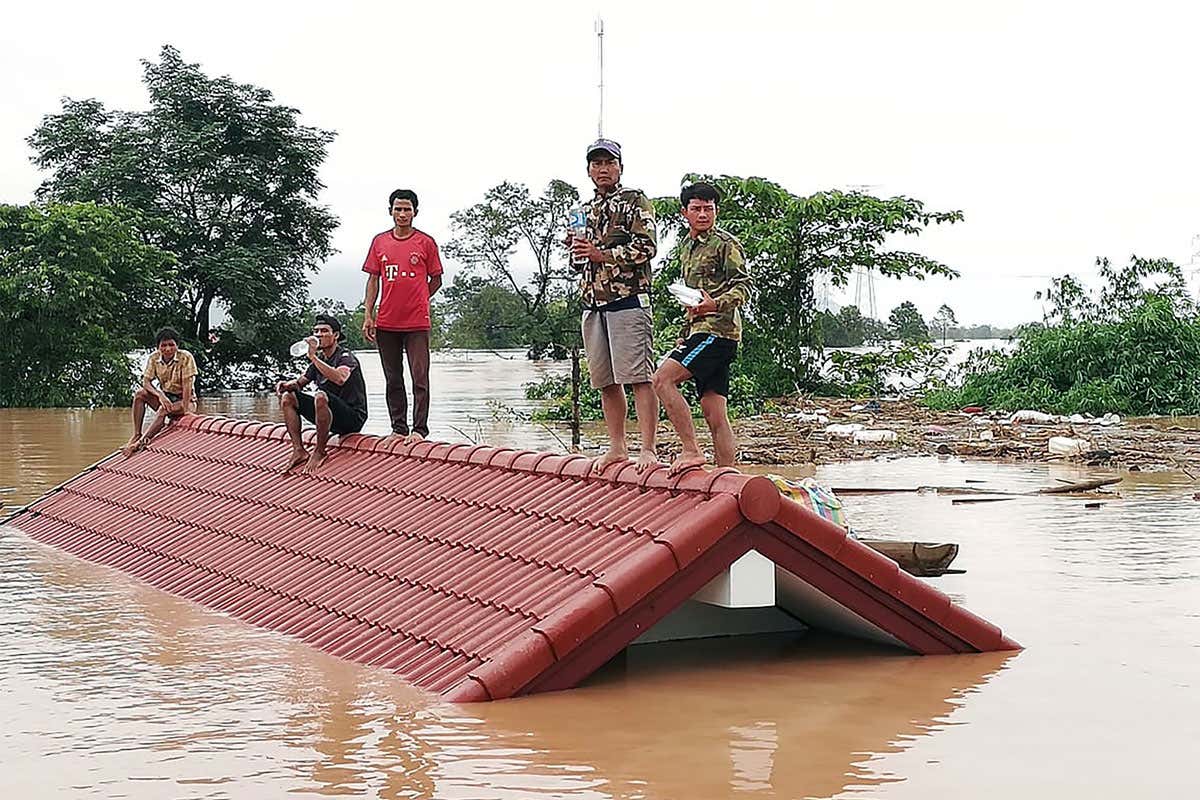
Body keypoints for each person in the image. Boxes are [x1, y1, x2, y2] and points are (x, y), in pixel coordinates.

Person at [571, 138, 659, 472]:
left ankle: (648, 448)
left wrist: (601, 254)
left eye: (609, 163)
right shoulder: (583, 210)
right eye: (597, 164)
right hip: (592, 303)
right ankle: (617, 447)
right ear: (589, 170)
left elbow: (647, 248)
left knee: (639, 376)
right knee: (606, 381)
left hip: (628, 300)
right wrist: (577, 251)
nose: (603, 169)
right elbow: (577, 263)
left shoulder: (635, 200)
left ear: (620, 167)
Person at [652, 182, 751, 475]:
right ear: (685, 212)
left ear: (716, 211)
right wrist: (685, 331)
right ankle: (727, 477)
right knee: (714, 411)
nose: (703, 214)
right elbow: (691, 296)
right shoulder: (686, 247)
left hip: (717, 332)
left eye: (709, 208)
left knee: (662, 380)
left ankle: (691, 451)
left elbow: (744, 285)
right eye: (697, 208)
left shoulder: (726, 243)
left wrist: (715, 304)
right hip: (698, 331)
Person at [361, 189, 443, 444]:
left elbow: (437, 279)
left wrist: (420, 298)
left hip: (417, 322)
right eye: (398, 209)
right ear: (391, 211)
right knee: (392, 377)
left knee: (420, 376)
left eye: (407, 209)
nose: (403, 214)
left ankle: (419, 430)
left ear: (415, 212)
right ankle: (398, 428)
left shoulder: (426, 242)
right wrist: (368, 314)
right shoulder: (380, 242)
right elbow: (373, 279)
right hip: (387, 321)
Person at [276, 314, 368, 474]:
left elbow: (340, 378)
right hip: (328, 413)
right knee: (288, 397)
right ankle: (299, 450)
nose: (319, 335)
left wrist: (312, 357)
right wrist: (286, 386)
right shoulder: (319, 360)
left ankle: (320, 451)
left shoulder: (345, 357)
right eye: (316, 331)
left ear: (336, 335)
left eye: (324, 331)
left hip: (351, 417)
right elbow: (300, 383)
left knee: (320, 396)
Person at [122, 327, 198, 457]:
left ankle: (140, 443)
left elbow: (187, 386)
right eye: (163, 345)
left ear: (177, 346)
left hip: (185, 400)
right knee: (140, 394)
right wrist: (160, 395)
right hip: (166, 397)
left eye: (171, 345)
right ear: (158, 347)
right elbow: (146, 382)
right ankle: (136, 434)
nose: (167, 349)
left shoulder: (185, 357)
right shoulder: (154, 358)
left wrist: (186, 410)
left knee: (163, 410)